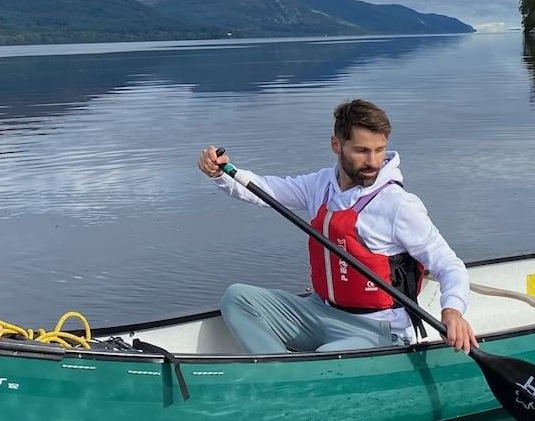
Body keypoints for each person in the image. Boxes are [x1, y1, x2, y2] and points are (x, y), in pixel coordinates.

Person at [196, 99, 474, 353]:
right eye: (361, 151)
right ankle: (280, 370)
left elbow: (448, 265)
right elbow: (265, 190)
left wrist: (452, 311)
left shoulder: (398, 205)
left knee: (325, 356)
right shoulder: (321, 185)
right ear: (336, 145)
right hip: (321, 311)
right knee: (237, 298)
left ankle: (290, 377)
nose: (373, 162)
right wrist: (222, 173)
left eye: (379, 150)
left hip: (377, 329)